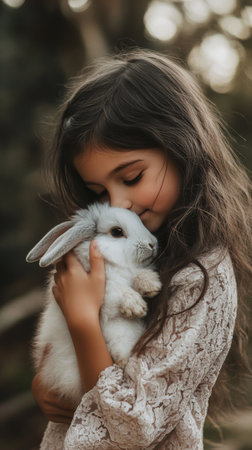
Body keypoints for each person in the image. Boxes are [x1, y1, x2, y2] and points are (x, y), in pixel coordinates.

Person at [31, 49, 252, 449]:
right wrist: (47, 382)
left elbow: (134, 426)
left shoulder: (204, 275)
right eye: (100, 192)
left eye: (132, 177)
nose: (118, 204)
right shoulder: (118, 250)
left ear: (181, 144)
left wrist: (82, 319)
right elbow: (63, 367)